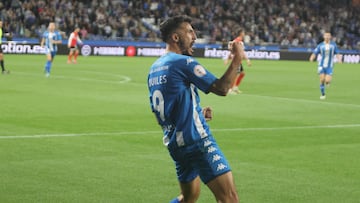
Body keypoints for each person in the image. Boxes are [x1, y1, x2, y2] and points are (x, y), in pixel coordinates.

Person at [147, 15, 243, 203]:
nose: (195, 37)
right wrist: (237, 57)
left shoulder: (155, 68)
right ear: (176, 37)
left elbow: (168, 108)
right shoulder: (182, 62)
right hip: (197, 141)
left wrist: (196, 113)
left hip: (176, 145)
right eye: (190, 32)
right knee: (229, 199)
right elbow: (222, 88)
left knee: (189, 198)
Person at [309, 32, 342, 99]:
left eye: (328, 36)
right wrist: (312, 58)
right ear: (324, 37)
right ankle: (323, 94)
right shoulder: (320, 45)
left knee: (327, 80)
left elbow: (337, 53)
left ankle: (328, 83)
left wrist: (339, 60)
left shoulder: (333, 45)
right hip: (321, 65)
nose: (327, 37)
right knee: (322, 79)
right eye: (326, 35)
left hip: (329, 66)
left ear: (330, 37)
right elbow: (315, 52)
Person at [224, 28, 251, 94]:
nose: (244, 34)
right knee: (235, 75)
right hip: (236, 60)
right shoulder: (238, 40)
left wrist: (247, 59)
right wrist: (227, 58)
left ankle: (235, 87)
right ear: (241, 33)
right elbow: (232, 45)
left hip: (238, 60)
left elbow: (239, 50)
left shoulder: (240, 41)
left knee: (242, 73)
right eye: (243, 33)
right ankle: (230, 89)